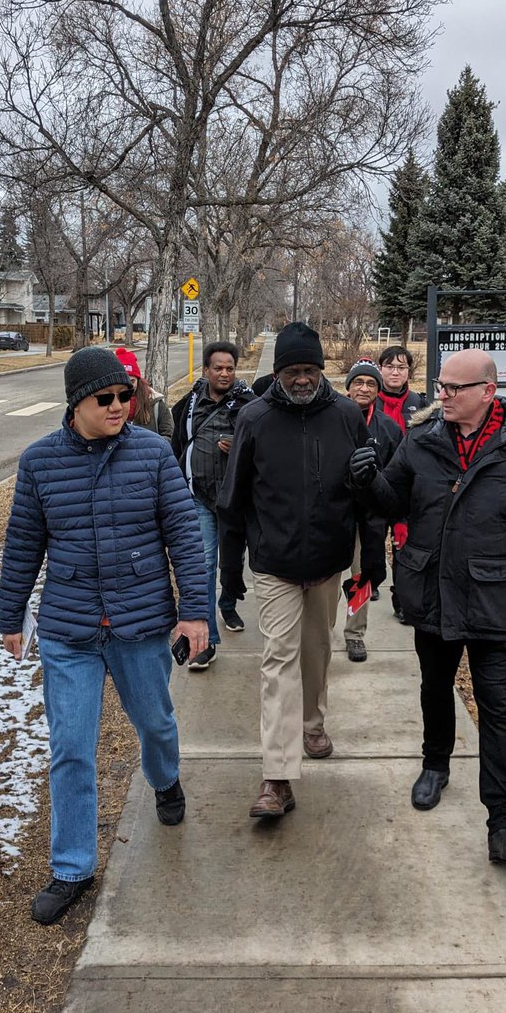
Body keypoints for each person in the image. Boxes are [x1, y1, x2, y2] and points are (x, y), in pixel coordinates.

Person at [0, 346, 209, 925]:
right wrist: (11, 616)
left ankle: (165, 782)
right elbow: (23, 545)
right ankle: (72, 867)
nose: (120, 406)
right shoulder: (39, 462)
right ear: (76, 402)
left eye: (126, 396)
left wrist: (195, 612)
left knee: (156, 724)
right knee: (70, 749)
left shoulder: (155, 453)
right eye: (106, 398)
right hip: (70, 627)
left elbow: (186, 538)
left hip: (140, 623)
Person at [350, 348, 506, 864]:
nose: (442, 394)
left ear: (488, 392)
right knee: (436, 687)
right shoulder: (423, 438)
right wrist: (366, 481)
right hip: (431, 590)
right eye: (440, 385)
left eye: (454, 387)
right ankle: (435, 765)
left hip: (494, 599)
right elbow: (393, 501)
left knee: (497, 707)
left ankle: (501, 821)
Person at [217, 322, 386, 819]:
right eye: (292, 371)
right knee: (277, 661)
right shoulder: (254, 419)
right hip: (274, 564)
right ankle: (277, 775)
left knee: (317, 651)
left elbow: (366, 494)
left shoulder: (347, 415)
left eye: (310, 369)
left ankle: (313, 723)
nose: (301, 379)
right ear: (278, 372)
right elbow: (233, 501)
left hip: (330, 561)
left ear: (321, 371)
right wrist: (230, 576)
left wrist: (370, 561)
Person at [171, 341, 255, 668]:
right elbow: (178, 440)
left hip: (235, 499)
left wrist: (239, 447)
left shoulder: (249, 405)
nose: (224, 373)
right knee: (204, 563)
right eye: (218, 368)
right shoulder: (190, 403)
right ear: (206, 370)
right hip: (199, 497)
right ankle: (208, 642)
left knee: (231, 561)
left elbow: (263, 444)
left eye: (230, 368)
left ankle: (228, 603)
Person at [342, 358, 402, 662]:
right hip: (334, 514)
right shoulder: (332, 418)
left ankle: (355, 634)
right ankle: (318, 632)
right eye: (358, 383)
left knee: (361, 577)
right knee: (322, 579)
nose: (364, 388)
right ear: (348, 387)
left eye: (370, 384)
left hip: (369, 519)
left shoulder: (389, 428)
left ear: (378, 391)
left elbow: (397, 478)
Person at [376, 345, 428, 621]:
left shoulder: (420, 404)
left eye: (401, 367)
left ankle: (403, 600)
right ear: (380, 368)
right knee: (368, 550)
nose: (395, 372)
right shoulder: (369, 400)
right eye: (390, 366)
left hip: (406, 490)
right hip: (374, 488)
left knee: (403, 547)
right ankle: (368, 585)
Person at [114, 346, 174, 439]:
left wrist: (153, 450)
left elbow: (169, 435)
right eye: (123, 382)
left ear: (138, 380)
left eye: (132, 381)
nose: (128, 386)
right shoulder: (108, 406)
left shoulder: (155, 403)